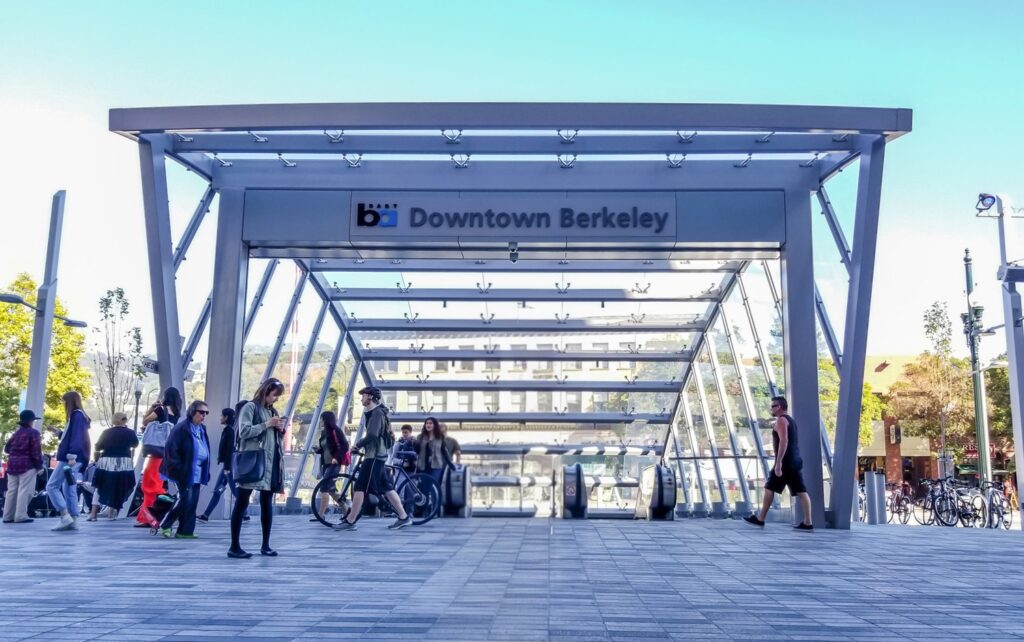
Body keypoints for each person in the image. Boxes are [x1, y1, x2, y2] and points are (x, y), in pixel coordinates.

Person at [335, 386, 411, 532]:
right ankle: (403, 517)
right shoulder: (375, 412)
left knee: (360, 487)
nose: (361, 398)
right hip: (378, 455)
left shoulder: (376, 413)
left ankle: (350, 521)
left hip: (374, 457)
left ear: (370, 397)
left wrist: (358, 444)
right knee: (387, 487)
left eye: (363, 396)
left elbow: (372, 436)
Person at [229, 379, 287, 559]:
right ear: (265, 391)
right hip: (253, 461)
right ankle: (234, 546)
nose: (275, 399)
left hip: (270, 463)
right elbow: (244, 432)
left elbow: (273, 438)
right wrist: (266, 425)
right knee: (242, 502)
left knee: (266, 503)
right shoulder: (250, 408)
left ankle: (266, 545)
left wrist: (280, 429)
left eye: (278, 396)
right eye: (274, 395)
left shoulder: (272, 411)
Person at [744, 396, 813, 531]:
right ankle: (808, 522)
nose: (771, 408)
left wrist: (779, 462)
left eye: (773, 406)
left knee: (770, 487)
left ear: (780, 407)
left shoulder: (781, 420)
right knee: (801, 491)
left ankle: (760, 519)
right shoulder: (791, 421)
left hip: (786, 461)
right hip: (795, 460)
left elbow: (784, 441)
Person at [158, 400, 212, 539]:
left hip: (197, 472)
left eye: (206, 413)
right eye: (201, 412)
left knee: (192, 501)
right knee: (185, 499)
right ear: (192, 412)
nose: (204, 415)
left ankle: (185, 530)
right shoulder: (182, 428)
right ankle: (165, 524)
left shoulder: (201, 429)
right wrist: (179, 468)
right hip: (184, 472)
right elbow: (171, 450)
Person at [48, 391, 91, 531]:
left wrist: (71, 456)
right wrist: (58, 432)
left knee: (52, 486)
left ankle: (64, 515)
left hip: (70, 457)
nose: (63, 404)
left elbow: (75, 437)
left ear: (69, 402)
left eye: (64, 401)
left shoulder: (76, 415)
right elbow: (75, 436)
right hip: (77, 456)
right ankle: (73, 519)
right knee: (69, 487)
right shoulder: (79, 416)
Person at [88, 412, 139, 520]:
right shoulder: (130, 433)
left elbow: (98, 446)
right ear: (124, 420)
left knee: (100, 486)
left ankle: (93, 514)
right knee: (119, 486)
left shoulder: (106, 432)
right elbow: (135, 444)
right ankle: (112, 512)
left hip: (106, 462)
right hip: (123, 463)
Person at [197, 405, 242, 523]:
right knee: (218, 490)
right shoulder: (228, 430)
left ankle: (244, 513)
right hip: (227, 466)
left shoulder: (230, 431)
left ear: (226, 417)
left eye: (222, 416)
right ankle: (206, 515)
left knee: (234, 491)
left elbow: (229, 451)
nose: (220, 418)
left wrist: (227, 468)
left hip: (229, 467)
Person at [3, 410, 44, 524]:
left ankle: (7, 516)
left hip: (12, 465)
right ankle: (20, 516)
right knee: (24, 490)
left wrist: (16, 453)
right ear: (31, 421)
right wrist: (39, 465)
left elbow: (7, 449)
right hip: (27, 466)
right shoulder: (34, 433)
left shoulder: (16, 434)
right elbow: (36, 451)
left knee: (12, 491)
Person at [136, 406, 173, 528]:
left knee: (150, 486)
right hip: (164, 455)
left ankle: (150, 517)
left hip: (156, 455)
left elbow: (145, 421)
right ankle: (152, 516)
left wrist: (152, 408)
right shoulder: (175, 412)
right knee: (156, 485)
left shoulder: (161, 409)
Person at [313, 411, 350, 520]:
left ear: (326, 420)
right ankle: (347, 510)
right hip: (326, 464)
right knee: (331, 489)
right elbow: (327, 448)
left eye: (322, 419)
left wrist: (336, 458)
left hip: (334, 464)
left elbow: (345, 445)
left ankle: (321, 515)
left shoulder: (335, 430)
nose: (320, 421)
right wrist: (318, 450)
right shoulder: (324, 432)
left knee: (325, 487)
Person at [415, 417, 451, 485]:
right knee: (423, 486)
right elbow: (417, 450)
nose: (428, 425)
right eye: (427, 423)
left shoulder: (440, 437)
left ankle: (434, 495)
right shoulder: (420, 437)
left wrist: (450, 463)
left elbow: (444, 450)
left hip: (436, 465)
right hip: (423, 465)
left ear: (435, 425)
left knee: (433, 484)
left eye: (430, 423)